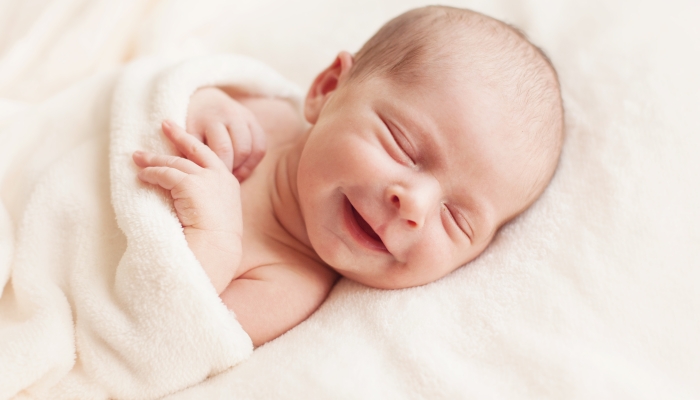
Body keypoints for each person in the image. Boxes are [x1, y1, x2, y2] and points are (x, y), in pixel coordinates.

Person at [131, 5, 564, 347]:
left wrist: (214, 238)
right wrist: (197, 95)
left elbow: (164, 339)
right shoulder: (250, 110)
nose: (414, 205)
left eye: (456, 220)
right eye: (402, 146)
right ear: (328, 88)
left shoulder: (286, 285)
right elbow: (140, 88)